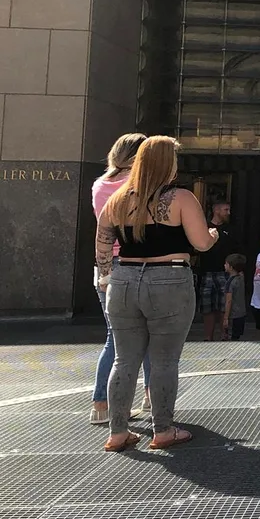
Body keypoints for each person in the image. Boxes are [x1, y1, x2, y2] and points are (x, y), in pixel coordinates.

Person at [96, 136, 218, 451]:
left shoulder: (118, 199)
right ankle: (162, 430)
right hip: (169, 279)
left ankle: (118, 432)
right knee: (164, 359)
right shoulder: (181, 198)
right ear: (168, 163)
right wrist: (213, 234)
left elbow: (103, 243)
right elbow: (201, 243)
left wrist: (107, 277)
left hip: (124, 280)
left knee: (123, 359)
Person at [89, 132, 152, 425]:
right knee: (150, 333)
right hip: (132, 262)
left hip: (104, 265)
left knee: (113, 337)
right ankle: (153, 396)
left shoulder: (100, 184)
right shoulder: (138, 186)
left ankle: (100, 404)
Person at [196, 200, 236, 341]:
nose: (228, 213)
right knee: (207, 307)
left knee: (224, 306)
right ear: (216, 210)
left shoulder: (230, 229)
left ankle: (224, 335)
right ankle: (208, 337)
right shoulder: (204, 227)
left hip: (225, 272)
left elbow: (236, 249)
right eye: (226, 210)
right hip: (207, 271)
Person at [222, 254, 247, 341]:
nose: (224, 265)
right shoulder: (241, 278)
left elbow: (229, 300)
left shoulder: (230, 282)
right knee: (237, 336)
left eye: (226, 264)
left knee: (231, 338)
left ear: (231, 267)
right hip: (241, 314)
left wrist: (225, 318)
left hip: (233, 315)